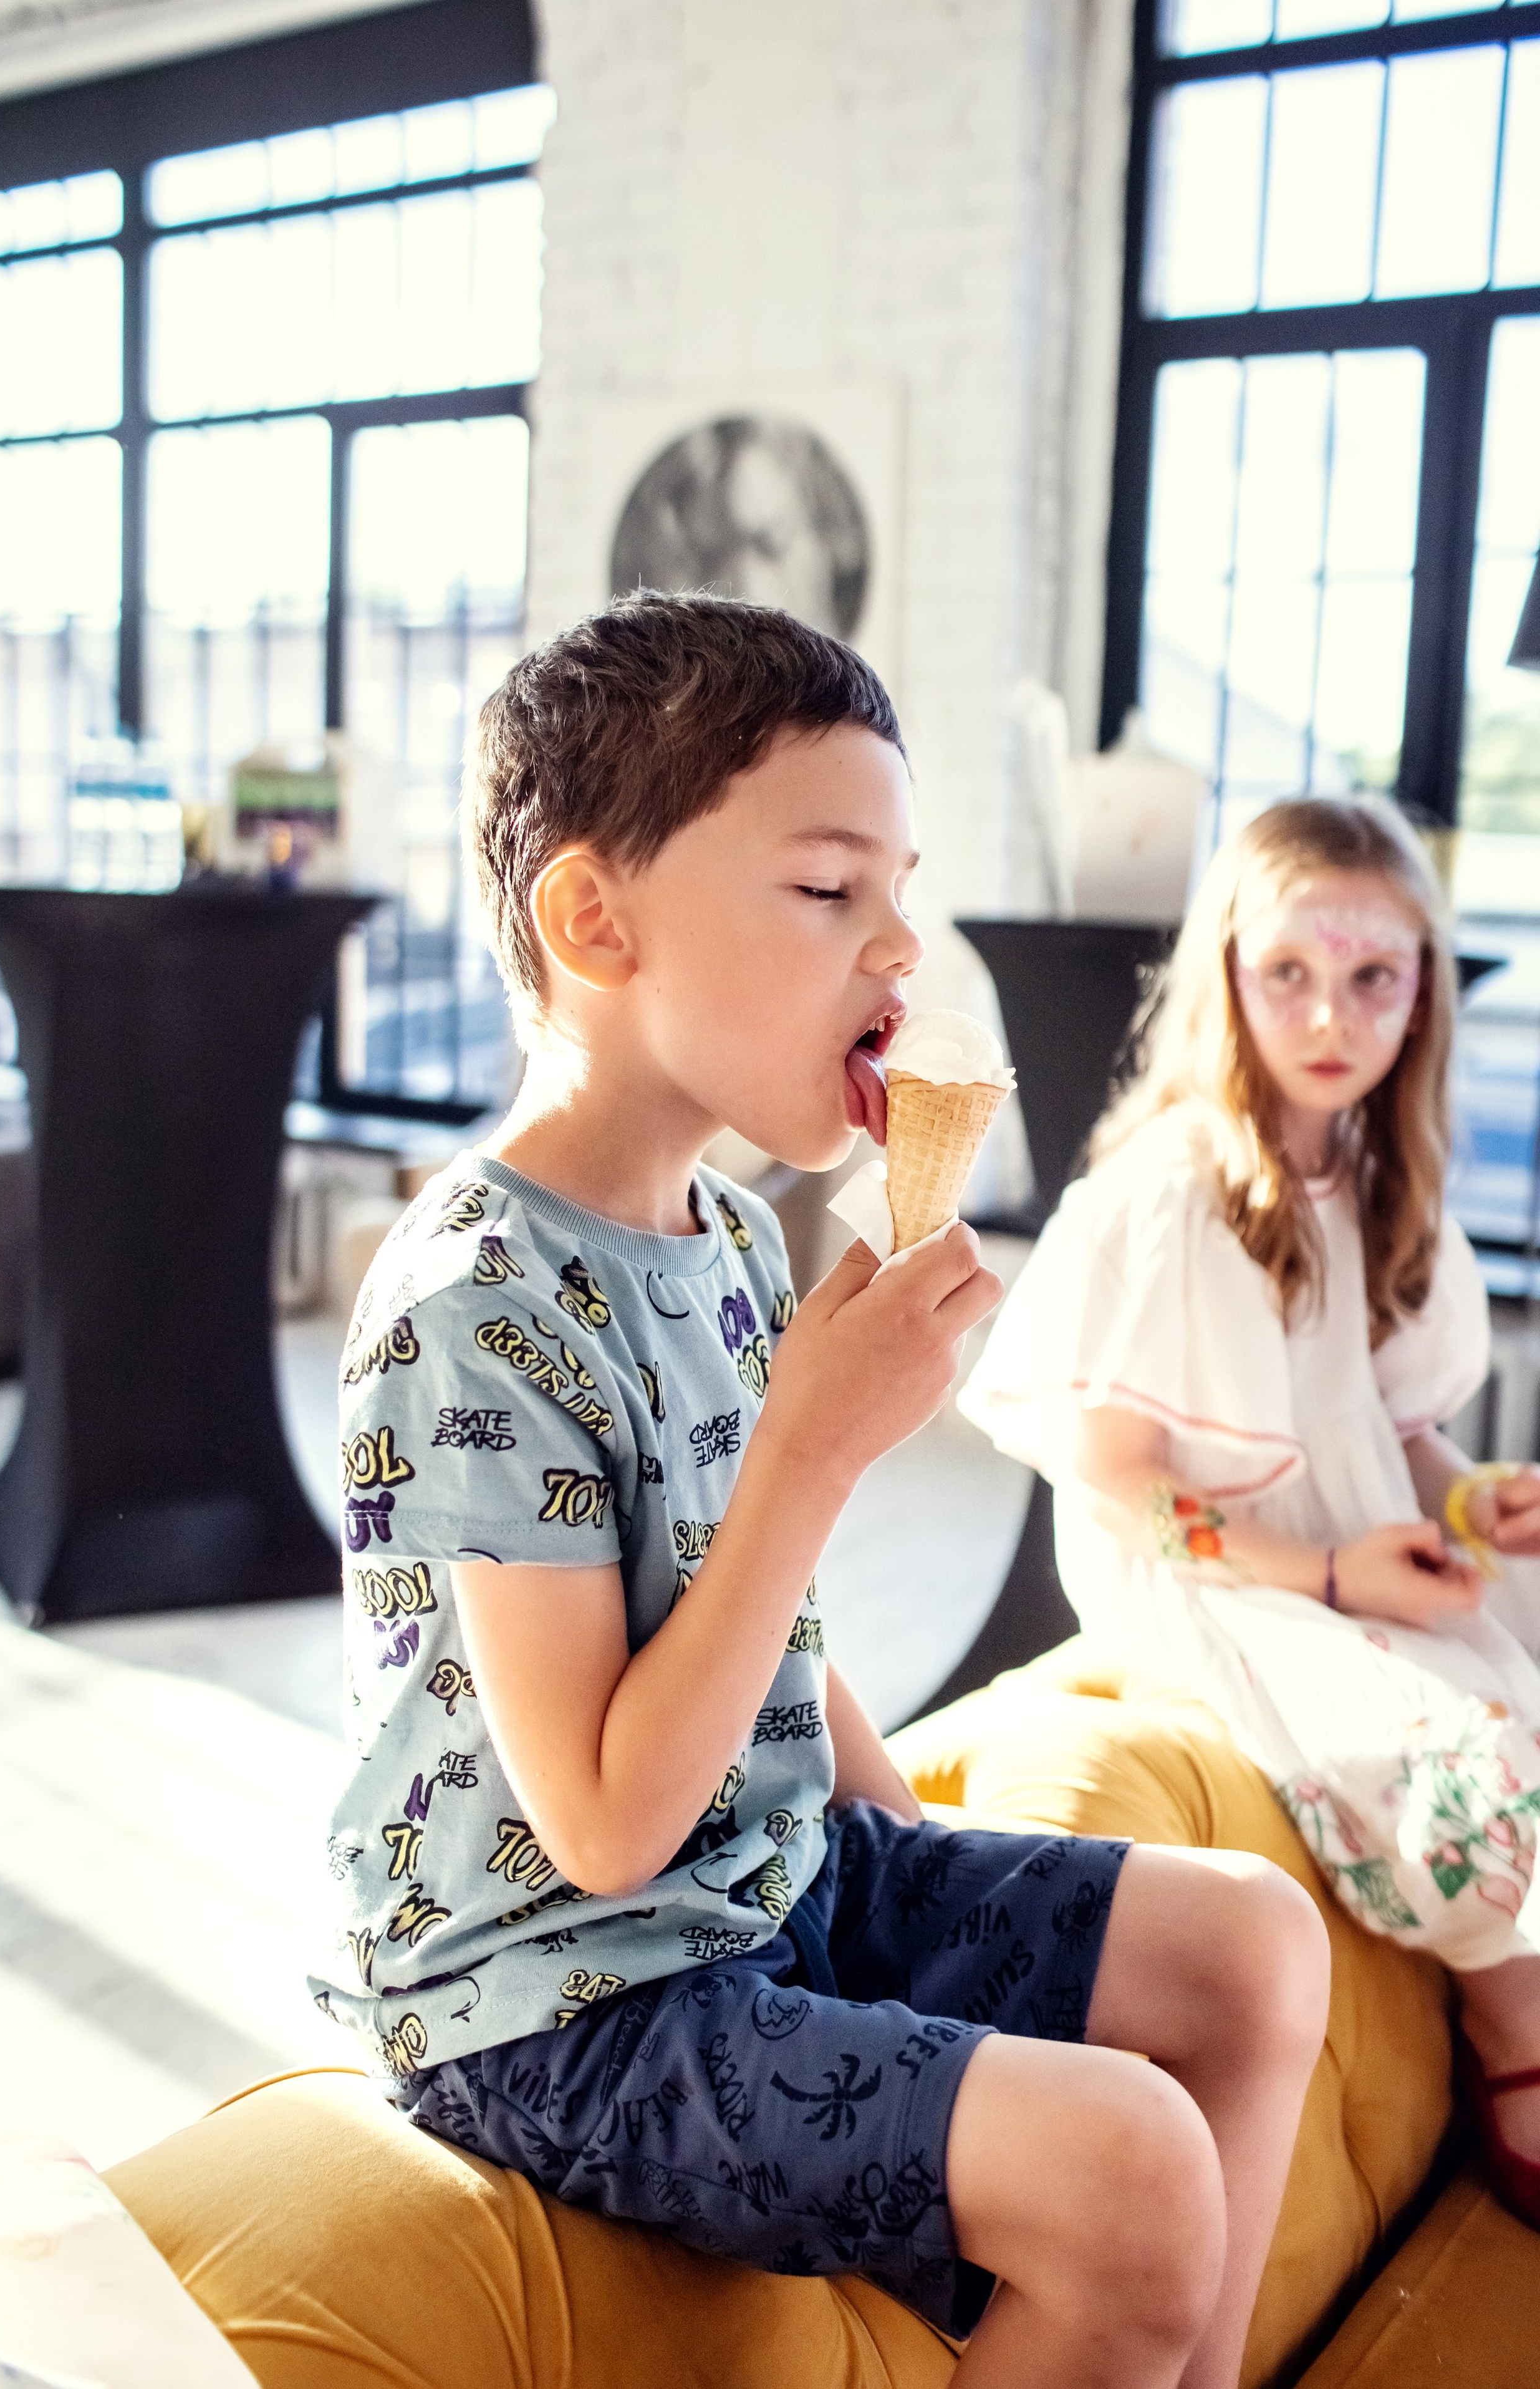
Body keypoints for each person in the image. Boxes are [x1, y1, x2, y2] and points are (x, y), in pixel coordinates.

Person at [310, 594, 1329, 2387]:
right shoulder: (474, 1300)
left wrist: (921, 1870)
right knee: (1134, 2173)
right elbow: (607, 1832)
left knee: (1254, 1944)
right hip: (567, 1998)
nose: (897, 952)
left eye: (902, 893)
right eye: (825, 888)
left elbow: (762, 1624)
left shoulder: (721, 1232)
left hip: (769, 1888)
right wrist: (815, 1445)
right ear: (592, 917)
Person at [961, 795, 1540, 2231]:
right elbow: (1114, 1476)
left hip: (1342, 1535)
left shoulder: (1375, 1178)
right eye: (1287, 971)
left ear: (1419, 996)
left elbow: (1390, 1424)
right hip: (1209, 1565)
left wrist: (1469, 1495)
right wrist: (1334, 1572)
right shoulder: (1165, 1197)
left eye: (1370, 979)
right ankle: (1509, 2031)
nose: (1327, 1013)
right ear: (1226, 969)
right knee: (1465, 1749)